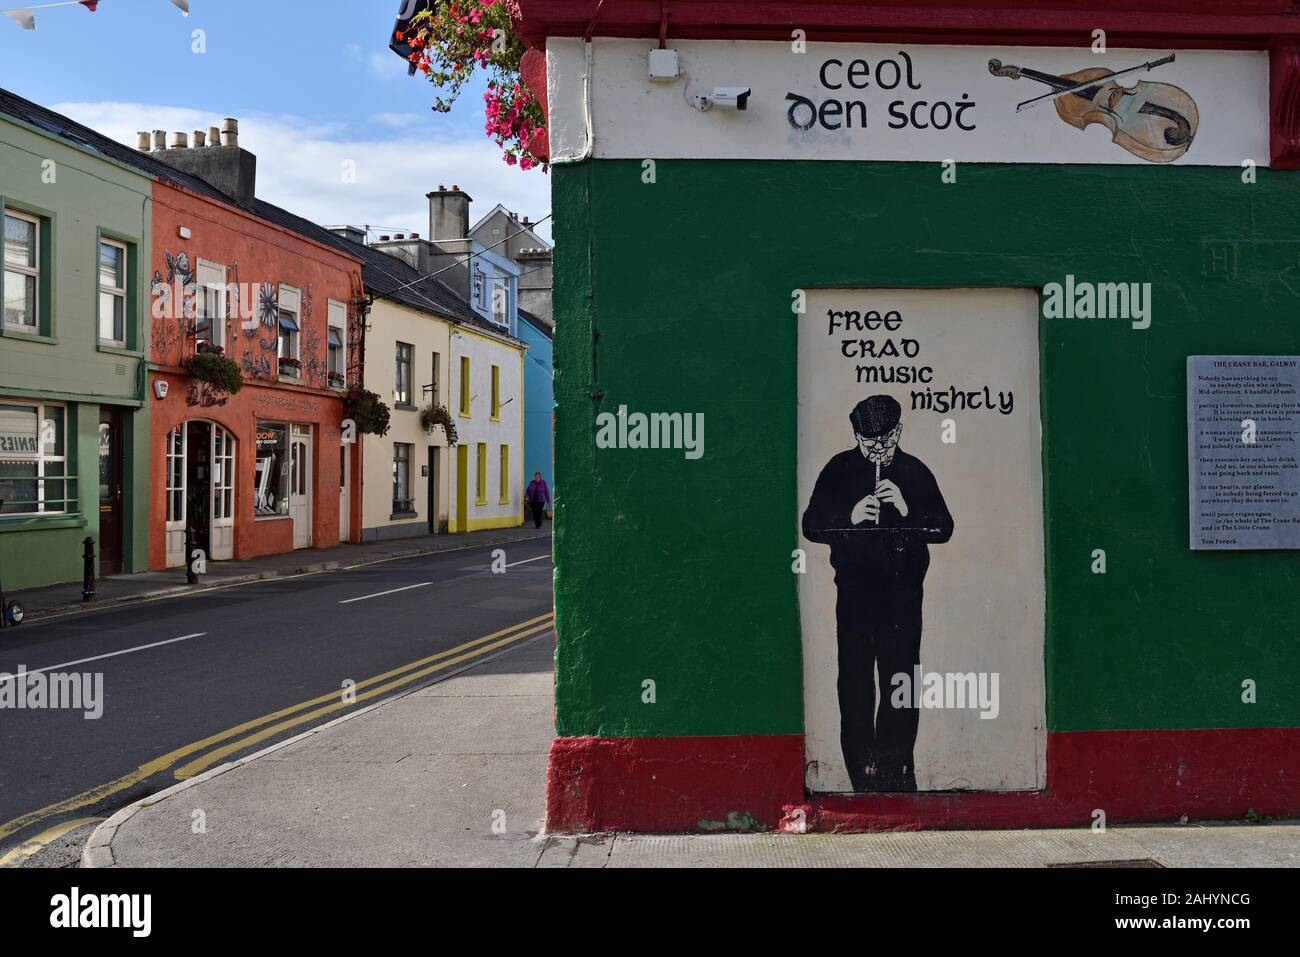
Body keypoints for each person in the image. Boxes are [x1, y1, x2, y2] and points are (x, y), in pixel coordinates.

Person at [801, 395, 954, 793]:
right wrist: (848, 520)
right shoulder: (839, 470)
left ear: (898, 432)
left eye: (885, 441)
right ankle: (861, 774)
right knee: (854, 683)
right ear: (856, 435)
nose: (877, 450)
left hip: (903, 599)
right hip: (854, 597)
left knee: (899, 682)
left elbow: (943, 528)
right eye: (869, 443)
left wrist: (906, 511)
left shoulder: (914, 472)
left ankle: (896, 768)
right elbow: (812, 524)